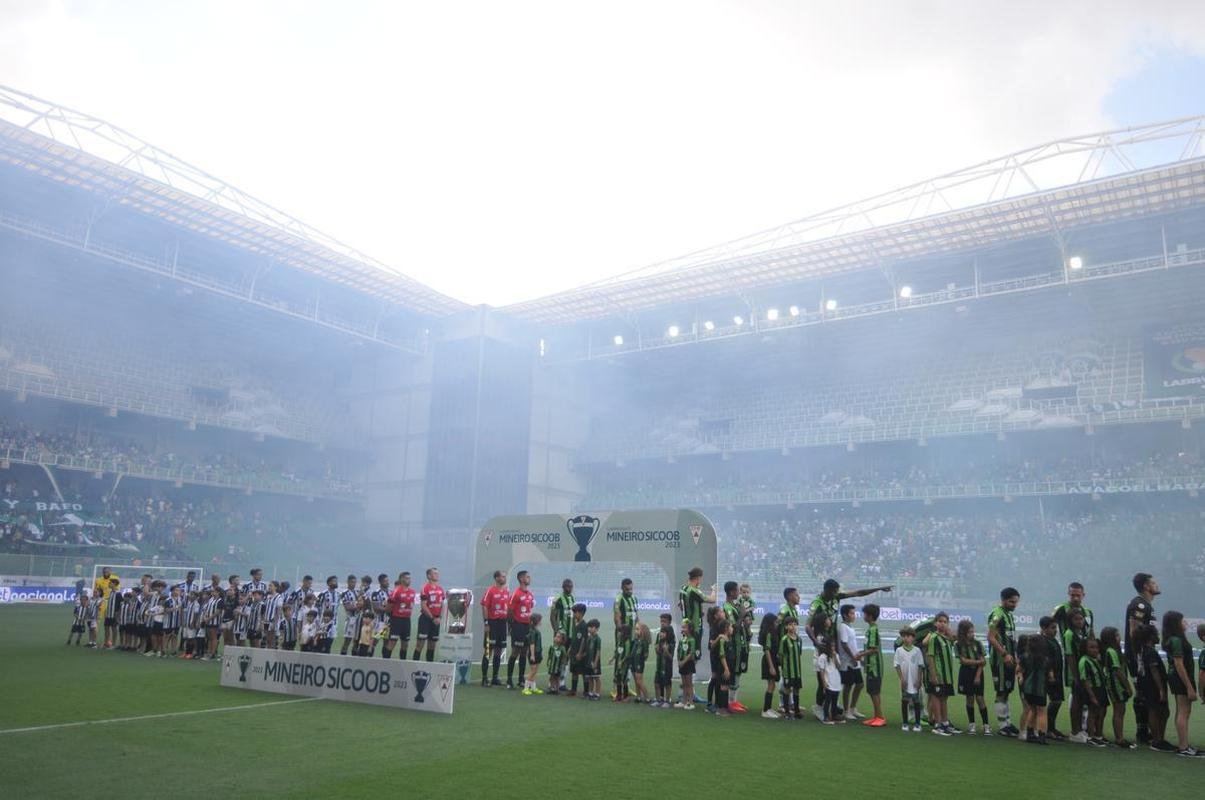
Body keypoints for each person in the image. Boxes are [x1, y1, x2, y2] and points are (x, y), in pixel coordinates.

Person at [806, 579, 890, 718]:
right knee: (823, 678)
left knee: (834, 675)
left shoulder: (836, 597)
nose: (836, 594)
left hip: (833, 644)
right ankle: (819, 707)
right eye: (834, 591)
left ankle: (832, 705)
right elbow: (808, 626)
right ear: (826, 590)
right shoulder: (816, 603)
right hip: (822, 643)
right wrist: (815, 641)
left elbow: (858, 593)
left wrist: (879, 588)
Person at [1124, 572, 1159, 744]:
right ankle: (1142, 731)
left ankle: (1144, 730)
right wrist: (1139, 656)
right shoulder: (1139, 605)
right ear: (1146, 586)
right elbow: (1134, 631)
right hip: (1138, 656)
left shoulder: (1146, 605)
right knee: (1142, 692)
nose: (1156, 585)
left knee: (1144, 692)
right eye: (1153, 582)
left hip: (1142, 655)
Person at [1162, 610, 1201, 757]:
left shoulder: (1173, 639)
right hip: (1180, 678)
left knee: (1182, 711)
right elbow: (1179, 664)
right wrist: (1189, 687)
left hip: (1177, 677)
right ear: (1176, 624)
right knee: (1184, 711)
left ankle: (1183, 745)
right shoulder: (1176, 640)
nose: (1185, 623)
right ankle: (1183, 747)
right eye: (1183, 620)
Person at [1133, 624, 1174, 752]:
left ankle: (1159, 739)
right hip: (1153, 687)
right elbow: (1154, 671)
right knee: (1156, 711)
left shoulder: (1144, 650)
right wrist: (1161, 689)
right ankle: (1157, 740)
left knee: (1161, 712)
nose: (1158, 636)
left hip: (1148, 686)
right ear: (1151, 637)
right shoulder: (1150, 652)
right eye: (1156, 634)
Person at [986, 587, 1022, 737]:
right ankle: (1002, 726)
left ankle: (1007, 722)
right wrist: (1005, 654)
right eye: (1011, 601)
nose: (1014, 604)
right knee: (1001, 690)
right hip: (1000, 660)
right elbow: (991, 637)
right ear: (1003, 600)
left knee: (1007, 690)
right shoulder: (997, 615)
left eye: (1016, 602)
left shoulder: (1009, 615)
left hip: (1009, 659)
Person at [1099, 626, 1135, 749]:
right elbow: (1117, 671)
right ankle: (1119, 738)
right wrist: (1128, 687)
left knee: (1121, 710)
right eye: (1117, 635)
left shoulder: (1113, 650)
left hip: (1116, 684)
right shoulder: (1111, 651)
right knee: (1118, 710)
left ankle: (1120, 736)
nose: (1119, 638)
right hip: (1116, 684)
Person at [923, 612, 957, 736]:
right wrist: (933, 674)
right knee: (936, 697)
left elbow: (955, 637)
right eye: (940, 621)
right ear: (935, 623)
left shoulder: (947, 639)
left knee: (944, 698)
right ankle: (937, 724)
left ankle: (944, 722)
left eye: (945, 622)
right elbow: (930, 656)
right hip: (938, 674)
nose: (942, 624)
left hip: (947, 675)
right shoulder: (934, 638)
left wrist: (948, 630)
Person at [955, 618, 989, 735]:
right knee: (969, 698)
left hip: (978, 673)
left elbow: (983, 661)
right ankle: (972, 725)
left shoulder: (978, 643)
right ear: (963, 633)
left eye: (973, 632)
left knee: (980, 698)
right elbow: (963, 661)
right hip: (965, 673)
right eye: (969, 632)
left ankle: (986, 725)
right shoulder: (958, 644)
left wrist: (978, 676)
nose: (972, 634)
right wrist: (978, 662)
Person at [1062, 607, 1090, 742]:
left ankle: (1080, 729)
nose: (1080, 621)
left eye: (1081, 618)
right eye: (1076, 619)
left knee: (1082, 701)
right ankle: (1074, 731)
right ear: (1070, 621)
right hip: (1076, 674)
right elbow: (1070, 656)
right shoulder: (1069, 634)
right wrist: (1076, 676)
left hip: (1083, 671)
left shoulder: (1082, 632)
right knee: (1076, 702)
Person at [678, 567, 716, 666]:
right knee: (694, 652)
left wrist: (698, 611)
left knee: (686, 649)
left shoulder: (683, 589)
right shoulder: (693, 590)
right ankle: (690, 677)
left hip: (685, 624)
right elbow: (712, 599)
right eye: (700, 578)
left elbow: (681, 606)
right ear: (698, 578)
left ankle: (686, 676)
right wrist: (714, 590)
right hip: (694, 626)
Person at [1018, 633, 1050, 745]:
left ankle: (1029, 734)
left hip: (1028, 689)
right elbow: (1050, 676)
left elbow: (1019, 669)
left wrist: (1021, 677)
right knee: (1042, 712)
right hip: (1040, 689)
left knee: (1032, 710)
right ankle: (1041, 735)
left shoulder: (1024, 657)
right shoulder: (1045, 660)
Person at [721, 582, 748, 712]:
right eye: (737, 590)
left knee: (738, 671)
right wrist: (742, 615)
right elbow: (733, 628)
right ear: (731, 592)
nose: (739, 592)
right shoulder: (727, 607)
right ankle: (731, 701)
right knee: (734, 671)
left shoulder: (735, 605)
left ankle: (735, 700)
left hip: (740, 643)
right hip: (733, 645)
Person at [480, 570, 510, 687]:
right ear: (496, 578)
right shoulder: (490, 591)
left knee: (499, 650)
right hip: (492, 623)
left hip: (503, 623)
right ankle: (484, 678)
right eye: (502, 576)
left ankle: (495, 677)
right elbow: (484, 606)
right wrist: (486, 622)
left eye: (505, 576)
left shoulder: (506, 592)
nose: (504, 578)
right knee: (489, 650)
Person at [1040, 615, 1066, 741]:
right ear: (1043, 628)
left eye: (1056, 627)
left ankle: (1051, 728)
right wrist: (1050, 674)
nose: (1055, 630)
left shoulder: (1053, 640)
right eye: (1052, 628)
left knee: (1058, 700)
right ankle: (1047, 729)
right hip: (1050, 677)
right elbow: (1046, 659)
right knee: (1054, 701)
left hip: (1057, 675)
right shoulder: (1043, 641)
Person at [837, 604, 865, 721]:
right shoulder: (843, 627)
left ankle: (853, 708)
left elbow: (852, 644)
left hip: (854, 660)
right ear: (845, 615)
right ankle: (846, 710)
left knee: (860, 684)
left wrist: (858, 656)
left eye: (854, 613)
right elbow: (844, 644)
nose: (854, 615)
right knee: (848, 686)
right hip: (847, 662)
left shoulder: (850, 627)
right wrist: (853, 657)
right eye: (852, 613)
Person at [508, 570, 535, 689]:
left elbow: (529, 609)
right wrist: (513, 624)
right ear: (521, 579)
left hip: (527, 627)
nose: (529, 578)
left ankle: (521, 680)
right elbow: (510, 610)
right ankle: (509, 680)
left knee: (524, 652)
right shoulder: (516, 593)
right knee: (515, 651)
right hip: (518, 626)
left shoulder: (530, 594)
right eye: (527, 577)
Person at [1078, 638, 1108, 747]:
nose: (1095, 650)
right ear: (1084, 649)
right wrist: (1091, 695)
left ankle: (1098, 735)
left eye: (1096, 647)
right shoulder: (1084, 661)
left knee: (1100, 712)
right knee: (1093, 713)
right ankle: (1091, 736)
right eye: (1092, 647)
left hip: (1100, 689)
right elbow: (1084, 679)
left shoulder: (1094, 660)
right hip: (1093, 690)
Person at [894, 626, 924, 732]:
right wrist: (902, 678)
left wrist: (919, 679)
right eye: (903, 636)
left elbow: (920, 665)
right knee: (905, 700)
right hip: (905, 681)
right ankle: (905, 722)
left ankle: (917, 723)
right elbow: (897, 665)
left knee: (916, 702)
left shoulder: (917, 651)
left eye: (908, 636)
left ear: (913, 638)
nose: (906, 638)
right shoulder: (899, 650)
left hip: (915, 680)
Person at [860, 603, 885, 727]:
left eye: (864, 614)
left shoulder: (873, 630)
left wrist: (860, 655)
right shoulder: (871, 629)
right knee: (873, 692)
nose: (863, 616)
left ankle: (880, 717)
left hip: (874, 667)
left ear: (870, 616)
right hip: (870, 665)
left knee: (874, 692)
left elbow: (874, 649)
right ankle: (877, 716)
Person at [412, 567, 445, 662]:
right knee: (420, 644)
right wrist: (432, 618)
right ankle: (414, 665)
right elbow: (423, 606)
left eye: (437, 573)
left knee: (432, 645)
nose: (437, 575)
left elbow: (442, 605)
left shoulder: (440, 589)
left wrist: (439, 618)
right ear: (429, 576)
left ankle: (429, 666)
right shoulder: (425, 588)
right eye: (434, 573)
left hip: (436, 620)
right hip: (426, 619)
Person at [383, 572, 415, 660]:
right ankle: (385, 662)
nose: (409, 580)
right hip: (396, 620)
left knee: (405, 643)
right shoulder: (396, 591)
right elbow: (388, 608)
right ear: (401, 579)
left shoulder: (412, 592)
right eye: (407, 578)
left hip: (407, 620)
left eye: (409, 578)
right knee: (392, 642)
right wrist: (393, 617)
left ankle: (403, 662)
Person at [778, 616, 803, 721]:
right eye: (790, 624)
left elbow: (799, 653)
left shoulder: (799, 639)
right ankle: (787, 712)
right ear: (786, 627)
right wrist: (783, 669)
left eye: (794, 624)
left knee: (797, 690)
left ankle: (796, 711)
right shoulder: (784, 640)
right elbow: (781, 655)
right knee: (787, 690)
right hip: (788, 671)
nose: (793, 626)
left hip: (797, 671)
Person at [815, 638, 843, 725]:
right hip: (828, 680)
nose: (833, 648)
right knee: (828, 700)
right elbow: (822, 671)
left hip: (836, 680)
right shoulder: (822, 657)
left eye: (834, 646)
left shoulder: (836, 655)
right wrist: (824, 682)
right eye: (831, 646)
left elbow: (838, 666)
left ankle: (834, 716)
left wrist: (835, 657)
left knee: (835, 699)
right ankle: (826, 717)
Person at [758, 613, 780, 719]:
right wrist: (771, 666)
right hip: (769, 660)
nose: (777, 624)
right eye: (775, 622)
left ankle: (769, 708)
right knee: (771, 685)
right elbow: (767, 650)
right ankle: (765, 710)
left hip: (773, 659)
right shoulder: (768, 634)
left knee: (772, 685)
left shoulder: (773, 632)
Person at [709, 617, 733, 717]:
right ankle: (721, 709)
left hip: (728, 666)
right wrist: (726, 668)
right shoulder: (723, 640)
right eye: (731, 626)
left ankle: (726, 706)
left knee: (726, 686)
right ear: (726, 628)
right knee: (723, 686)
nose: (732, 628)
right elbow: (722, 655)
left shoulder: (728, 639)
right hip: (723, 667)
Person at [653, 613, 676, 708]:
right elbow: (657, 649)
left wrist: (666, 652)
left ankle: (667, 700)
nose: (662, 623)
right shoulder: (659, 635)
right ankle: (658, 699)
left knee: (667, 682)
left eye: (664, 621)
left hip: (667, 665)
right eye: (661, 621)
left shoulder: (671, 639)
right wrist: (657, 648)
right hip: (659, 664)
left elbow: (671, 657)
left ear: (669, 622)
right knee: (657, 682)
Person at [567, 602, 589, 697]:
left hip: (580, 652)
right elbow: (574, 638)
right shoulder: (575, 624)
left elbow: (583, 639)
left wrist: (580, 653)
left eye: (575, 612)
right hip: (573, 651)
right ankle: (573, 690)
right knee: (574, 671)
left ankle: (586, 691)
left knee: (584, 672)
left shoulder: (584, 625)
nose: (574, 614)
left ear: (581, 613)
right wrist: (570, 649)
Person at [675, 620, 697, 710]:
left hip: (688, 664)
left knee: (689, 683)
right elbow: (679, 651)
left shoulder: (692, 640)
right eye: (682, 627)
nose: (682, 629)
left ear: (690, 629)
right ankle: (684, 701)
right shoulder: (682, 640)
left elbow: (691, 653)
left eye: (684, 627)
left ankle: (691, 702)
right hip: (682, 664)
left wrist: (683, 661)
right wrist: (679, 661)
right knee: (684, 683)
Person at [550, 579, 575, 654]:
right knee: (559, 655)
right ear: (563, 587)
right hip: (561, 632)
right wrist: (556, 631)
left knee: (568, 655)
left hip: (570, 633)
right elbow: (552, 617)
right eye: (568, 587)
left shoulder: (572, 598)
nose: (570, 589)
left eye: (571, 587)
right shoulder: (558, 599)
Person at [522, 612, 543, 695]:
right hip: (533, 653)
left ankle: (533, 687)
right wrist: (533, 655)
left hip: (538, 652)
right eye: (540, 620)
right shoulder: (533, 632)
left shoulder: (536, 631)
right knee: (533, 671)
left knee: (535, 671)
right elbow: (532, 644)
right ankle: (526, 688)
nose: (541, 622)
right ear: (536, 621)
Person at [629, 622, 651, 704]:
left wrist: (640, 659)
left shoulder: (644, 642)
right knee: (636, 681)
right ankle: (638, 697)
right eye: (635, 629)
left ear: (643, 631)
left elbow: (646, 655)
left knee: (639, 681)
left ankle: (647, 697)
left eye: (637, 629)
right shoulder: (636, 640)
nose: (635, 631)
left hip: (639, 663)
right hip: (633, 662)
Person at [338, 574, 360, 656]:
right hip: (350, 619)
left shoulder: (357, 592)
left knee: (356, 640)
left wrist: (359, 606)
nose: (353, 584)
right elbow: (347, 607)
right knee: (347, 640)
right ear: (348, 582)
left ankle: (353, 658)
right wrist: (358, 606)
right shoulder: (344, 593)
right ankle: (342, 656)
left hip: (358, 619)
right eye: (351, 582)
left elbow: (362, 604)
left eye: (354, 582)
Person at [613, 578, 638, 646]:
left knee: (632, 653)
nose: (630, 591)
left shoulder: (634, 598)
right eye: (627, 589)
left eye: (631, 589)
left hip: (633, 632)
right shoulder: (619, 600)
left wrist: (638, 629)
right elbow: (617, 618)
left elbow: (636, 615)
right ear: (622, 588)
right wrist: (621, 632)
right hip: (623, 633)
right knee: (621, 653)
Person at [611, 624, 632, 703]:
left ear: (625, 633)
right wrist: (612, 658)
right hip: (618, 663)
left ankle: (626, 696)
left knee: (624, 679)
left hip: (624, 664)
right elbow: (617, 651)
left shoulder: (627, 642)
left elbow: (627, 654)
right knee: (618, 679)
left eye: (620, 632)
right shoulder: (620, 641)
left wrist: (622, 661)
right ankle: (619, 695)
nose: (619, 633)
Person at [584, 619, 602, 701]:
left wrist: (595, 662)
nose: (589, 629)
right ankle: (590, 692)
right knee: (590, 678)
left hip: (595, 662)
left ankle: (597, 693)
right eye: (589, 627)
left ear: (597, 629)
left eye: (592, 627)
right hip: (588, 661)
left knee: (596, 678)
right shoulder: (589, 638)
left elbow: (598, 651)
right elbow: (587, 650)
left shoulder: (597, 639)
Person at [102, 576, 121, 649]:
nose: (109, 584)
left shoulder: (118, 594)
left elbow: (120, 605)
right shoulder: (110, 593)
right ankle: (106, 643)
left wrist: (118, 615)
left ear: (115, 584)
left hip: (114, 615)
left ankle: (113, 644)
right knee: (106, 628)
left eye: (111, 583)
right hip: (108, 614)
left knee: (114, 629)